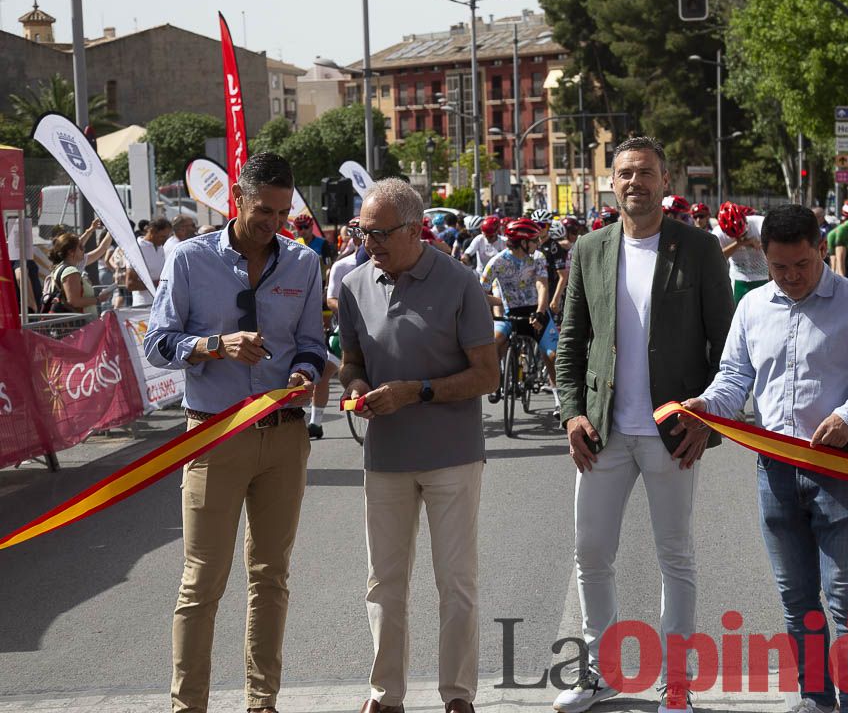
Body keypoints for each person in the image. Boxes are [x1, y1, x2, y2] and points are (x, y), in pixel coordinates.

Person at [680, 205, 848, 713]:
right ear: (764, 258)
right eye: (779, 267)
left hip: (842, 470)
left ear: (822, 251)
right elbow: (735, 379)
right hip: (775, 471)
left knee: (846, 596)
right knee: (796, 598)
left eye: (801, 266)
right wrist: (707, 406)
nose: (790, 278)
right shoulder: (754, 307)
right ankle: (815, 698)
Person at [553, 136, 734, 713]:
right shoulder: (590, 249)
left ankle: (675, 682)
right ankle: (596, 675)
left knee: (674, 554)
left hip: (672, 431)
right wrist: (571, 413)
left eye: (646, 173)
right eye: (625, 173)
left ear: (665, 181)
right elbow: (571, 345)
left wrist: (709, 417)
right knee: (591, 552)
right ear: (612, 183)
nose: (636, 183)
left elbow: (726, 347)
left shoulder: (700, 249)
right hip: (603, 431)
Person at [143, 151, 325, 713]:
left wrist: (305, 372)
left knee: (271, 578)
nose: (273, 222)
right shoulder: (190, 260)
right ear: (237, 201)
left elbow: (315, 345)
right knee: (201, 582)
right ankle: (188, 706)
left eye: (282, 211)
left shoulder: (303, 263)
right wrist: (212, 345)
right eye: (263, 210)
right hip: (213, 436)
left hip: (284, 436)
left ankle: (261, 702)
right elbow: (156, 343)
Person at [338, 179, 499, 713]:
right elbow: (353, 365)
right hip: (385, 459)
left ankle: (457, 695)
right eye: (363, 233)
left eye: (380, 234)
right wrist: (357, 392)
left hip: (452, 457)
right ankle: (385, 696)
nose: (369, 244)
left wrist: (419, 392)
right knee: (383, 584)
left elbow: (487, 375)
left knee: (455, 582)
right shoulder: (355, 284)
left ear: (413, 230)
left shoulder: (459, 283)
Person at [481, 218, 559, 412]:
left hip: (536, 311)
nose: (538, 243)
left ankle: (560, 398)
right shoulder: (497, 262)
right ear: (523, 243)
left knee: (552, 354)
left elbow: (542, 285)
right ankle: (496, 379)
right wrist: (500, 303)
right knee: (495, 342)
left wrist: (541, 312)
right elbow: (480, 293)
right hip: (511, 313)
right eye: (534, 240)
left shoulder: (538, 257)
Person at [43, 232, 112, 318]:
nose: (84, 249)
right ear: (71, 252)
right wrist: (98, 299)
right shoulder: (70, 271)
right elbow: (74, 301)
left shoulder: (59, 268)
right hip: (79, 325)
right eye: (80, 247)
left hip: (74, 324)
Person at [715, 201, 771, 305]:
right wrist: (740, 243)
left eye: (743, 233)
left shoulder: (760, 224)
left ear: (745, 220)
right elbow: (716, 259)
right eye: (734, 236)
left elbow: (777, 251)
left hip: (763, 277)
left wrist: (762, 245)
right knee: (736, 314)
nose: (740, 237)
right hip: (738, 279)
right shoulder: (718, 233)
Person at [127, 217, 172, 306]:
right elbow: (130, 284)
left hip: (162, 303)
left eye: (167, 236)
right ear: (152, 231)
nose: (165, 240)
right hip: (144, 306)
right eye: (162, 236)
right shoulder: (136, 249)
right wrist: (159, 283)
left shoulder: (160, 247)